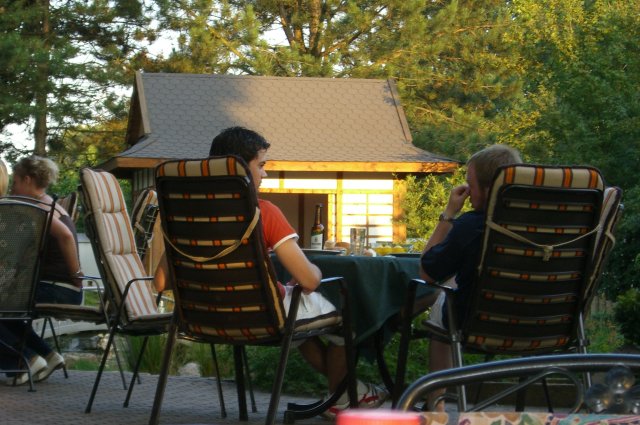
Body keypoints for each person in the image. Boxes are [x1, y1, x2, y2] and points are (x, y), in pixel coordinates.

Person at [208, 127, 387, 417]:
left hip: (207, 316)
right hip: (263, 315)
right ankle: (343, 399)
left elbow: (163, 281)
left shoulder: (184, 214)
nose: (265, 173)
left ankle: (346, 394)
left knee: (304, 323)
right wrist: (310, 271)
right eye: (261, 165)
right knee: (348, 310)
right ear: (239, 168)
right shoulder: (263, 211)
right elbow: (310, 280)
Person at [419, 144, 522, 411]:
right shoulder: (543, 224)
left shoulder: (472, 224)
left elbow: (427, 272)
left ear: (488, 189)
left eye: (470, 184)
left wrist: (448, 214)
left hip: (477, 322)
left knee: (443, 300)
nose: (468, 190)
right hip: (541, 324)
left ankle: (436, 407)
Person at [0, 156, 84, 386]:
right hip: (60, 288)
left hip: (58, 290)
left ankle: (24, 361)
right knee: (6, 309)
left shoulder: (38, 208)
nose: (12, 189)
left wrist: (77, 275)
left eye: (16, 182)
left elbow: (65, 236)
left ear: (27, 180)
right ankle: (47, 355)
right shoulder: (50, 203)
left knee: (4, 306)